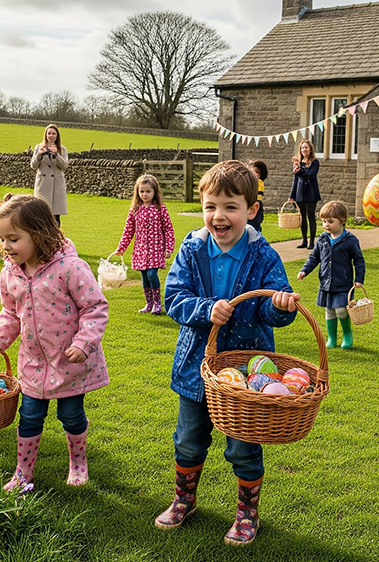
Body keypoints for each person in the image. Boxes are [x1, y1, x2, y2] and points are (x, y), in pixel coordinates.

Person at [154, 160, 302, 546]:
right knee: (188, 438)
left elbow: (270, 308)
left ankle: (247, 513)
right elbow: (173, 298)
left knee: (243, 446)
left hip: (249, 373)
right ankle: (184, 500)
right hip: (197, 367)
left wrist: (280, 306)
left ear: (251, 210)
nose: (218, 216)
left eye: (230, 207)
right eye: (210, 206)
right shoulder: (191, 249)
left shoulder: (263, 255)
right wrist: (206, 309)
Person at [0, 194, 109, 489]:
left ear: (39, 234)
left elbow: (95, 307)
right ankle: (23, 472)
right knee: (29, 417)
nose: (5, 247)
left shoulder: (71, 268)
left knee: (72, 416)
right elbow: (10, 313)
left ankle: (78, 462)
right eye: (1, 239)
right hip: (33, 363)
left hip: (69, 361)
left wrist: (83, 343)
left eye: (13, 239)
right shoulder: (9, 274)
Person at [297, 200, 365, 349]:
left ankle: (347, 334)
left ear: (342, 221)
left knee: (341, 309)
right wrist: (304, 270)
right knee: (329, 311)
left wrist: (359, 279)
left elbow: (359, 260)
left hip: (343, 283)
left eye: (330, 221)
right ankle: (332, 338)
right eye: (324, 221)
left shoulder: (350, 240)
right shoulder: (322, 239)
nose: (326, 225)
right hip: (326, 283)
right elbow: (314, 258)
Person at [114, 174, 176, 315]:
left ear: (154, 192)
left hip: (156, 249)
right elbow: (128, 230)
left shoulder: (160, 208)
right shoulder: (135, 209)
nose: (145, 194)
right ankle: (148, 304)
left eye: (148, 191)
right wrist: (121, 248)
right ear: (137, 192)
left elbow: (168, 229)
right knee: (144, 276)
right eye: (142, 191)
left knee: (152, 274)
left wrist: (169, 248)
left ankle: (158, 304)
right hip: (141, 249)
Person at [31, 124, 68, 226]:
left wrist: (57, 155)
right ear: (46, 135)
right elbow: (33, 166)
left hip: (57, 187)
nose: (51, 136)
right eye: (49, 133)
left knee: (55, 219)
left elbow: (64, 166)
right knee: (41, 216)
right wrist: (39, 155)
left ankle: (57, 240)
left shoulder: (62, 149)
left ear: (57, 136)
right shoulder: (38, 147)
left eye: (54, 133)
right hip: (43, 186)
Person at [288, 141, 321, 249]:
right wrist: (291, 195)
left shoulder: (315, 162)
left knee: (310, 216)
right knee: (302, 218)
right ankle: (304, 241)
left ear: (310, 149)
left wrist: (298, 170)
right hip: (300, 193)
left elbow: (310, 176)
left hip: (311, 192)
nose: (304, 150)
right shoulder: (299, 163)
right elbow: (295, 180)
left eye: (306, 147)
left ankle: (312, 241)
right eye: (302, 148)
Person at [247, 160, 267, 233]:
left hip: (255, 205)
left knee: (254, 226)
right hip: (251, 205)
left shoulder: (258, 182)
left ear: (258, 175)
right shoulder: (253, 182)